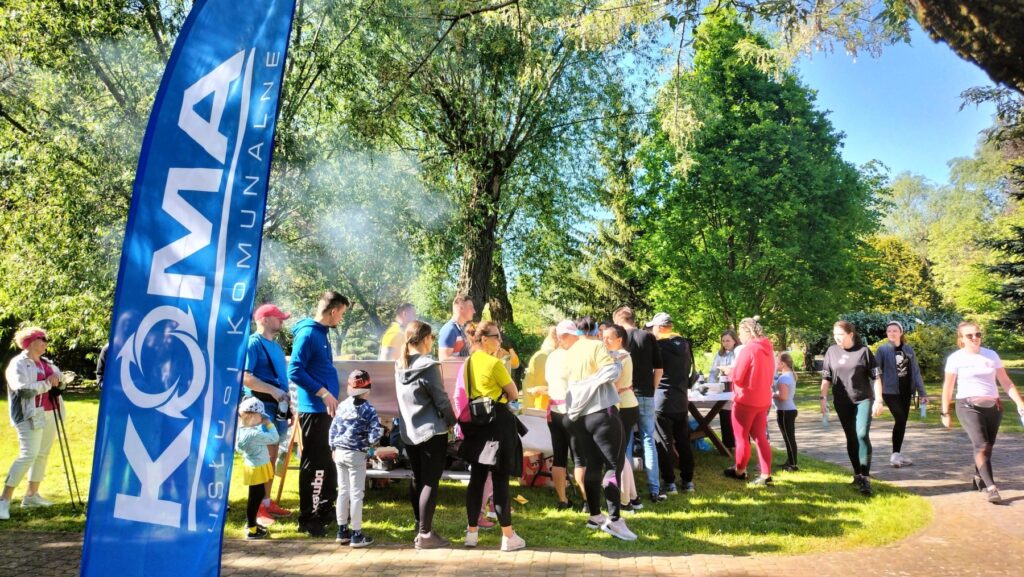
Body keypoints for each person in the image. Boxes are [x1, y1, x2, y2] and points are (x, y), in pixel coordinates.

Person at [564, 319, 636, 541]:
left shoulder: (570, 350)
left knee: (593, 464)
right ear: (596, 331)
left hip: (578, 417)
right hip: (601, 411)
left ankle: (595, 515)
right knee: (614, 466)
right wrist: (616, 363)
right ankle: (614, 520)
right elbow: (610, 374)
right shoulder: (597, 346)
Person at [458, 321, 526, 552]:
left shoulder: (469, 362)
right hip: (498, 423)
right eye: (496, 336)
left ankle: (471, 533)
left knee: (476, 479)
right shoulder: (494, 363)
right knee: (500, 479)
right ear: (484, 339)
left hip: (477, 423)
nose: (500, 341)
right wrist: (502, 396)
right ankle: (508, 536)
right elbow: (513, 393)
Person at [288, 290, 350, 536]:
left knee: (327, 460)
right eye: (341, 314)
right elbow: (294, 369)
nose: (341, 319)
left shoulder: (321, 333)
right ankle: (306, 517)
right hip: (313, 409)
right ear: (333, 311)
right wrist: (323, 392)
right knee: (313, 463)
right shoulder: (308, 334)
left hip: (325, 410)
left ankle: (325, 509)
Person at [941, 321, 1024, 504]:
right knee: (982, 445)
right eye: (969, 335)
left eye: (977, 334)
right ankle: (991, 488)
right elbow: (948, 386)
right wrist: (945, 412)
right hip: (968, 406)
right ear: (961, 339)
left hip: (993, 406)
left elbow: (1005, 381)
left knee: (988, 446)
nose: (975, 338)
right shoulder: (956, 358)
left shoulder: (991, 355)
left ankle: (979, 476)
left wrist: (1020, 403)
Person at [396, 320, 457, 549]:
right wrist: (453, 421)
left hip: (409, 431)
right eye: (432, 337)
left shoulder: (399, 364)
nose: (433, 341)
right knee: (430, 481)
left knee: (418, 478)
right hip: (431, 431)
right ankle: (425, 534)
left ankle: (420, 526)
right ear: (424, 339)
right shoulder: (429, 365)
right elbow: (441, 399)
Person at [1, 327, 63, 520]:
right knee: (28, 455)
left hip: (50, 411)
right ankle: (4, 500)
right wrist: (48, 383)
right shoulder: (17, 364)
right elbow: (23, 390)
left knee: (42, 454)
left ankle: (31, 495)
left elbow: (60, 379)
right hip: (29, 414)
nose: (46, 342)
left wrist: (59, 381)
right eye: (42, 338)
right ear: (29, 342)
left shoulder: (47, 362)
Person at [242, 303, 293, 523]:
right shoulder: (253, 343)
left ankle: (266, 502)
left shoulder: (277, 347)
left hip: (277, 407)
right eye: (278, 317)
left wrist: (286, 403)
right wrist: (273, 391)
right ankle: (257, 509)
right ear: (263, 319)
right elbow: (245, 377)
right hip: (261, 407)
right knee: (261, 458)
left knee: (271, 456)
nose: (282, 320)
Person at [819, 320, 882, 496]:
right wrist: (823, 398)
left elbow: (876, 377)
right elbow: (826, 378)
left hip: (863, 399)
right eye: (835, 335)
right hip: (842, 401)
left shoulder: (864, 351)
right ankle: (857, 475)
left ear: (850, 334)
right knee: (851, 437)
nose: (837, 338)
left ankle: (866, 477)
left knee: (861, 435)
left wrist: (879, 400)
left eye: (841, 334)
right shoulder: (831, 352)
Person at [611, 306, 665, 503]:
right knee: (648, 438)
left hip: (625, 395)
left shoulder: (619, 340)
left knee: (625, 440)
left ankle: (627, 488)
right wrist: (652, 388)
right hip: (645, 394)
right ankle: (654, 488)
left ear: (618, 321)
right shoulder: (647, 336)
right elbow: (659, 368)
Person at [329, 370, 384, 547]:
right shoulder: (369, 409)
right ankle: (357, 534)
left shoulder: (343, 405)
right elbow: (374, 435)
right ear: (368, 389)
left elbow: (333, 429)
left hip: (339, 452)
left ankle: (341, 531)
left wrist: (333, 447)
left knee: (343, 491)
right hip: (356, 454)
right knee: (356, 494)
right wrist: (371, 442)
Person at [721, 317, 774, 485]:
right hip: (763, 399)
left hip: (746, 399)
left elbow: (738, 377)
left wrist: (729, 371)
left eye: (740, 332)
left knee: (741, 437)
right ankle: (766, 475)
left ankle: (740, 470)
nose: (739, 336)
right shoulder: (768, 348)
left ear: (747, 332)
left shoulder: (748, 349)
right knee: (760, 437)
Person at [647, 313, 695, 494]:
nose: (652, 330)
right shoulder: (685, 345)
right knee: (684, 442)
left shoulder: (658, 346)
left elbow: (653, 372)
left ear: (660, 328)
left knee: (664, 443)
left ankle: (669, 482)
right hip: (681, 399)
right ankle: (688, 480)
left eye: (653, 327)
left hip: (662, 400)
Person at [875, 321, 928, 468]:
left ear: (901, 332)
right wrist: (876, 395)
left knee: (902, 422)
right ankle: (894, 455)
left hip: (906, 391)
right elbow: (876, 373)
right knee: (900, 418)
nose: (892, 333)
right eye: (889, 331)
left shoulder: (908, 349)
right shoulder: (882, 350)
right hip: (889, 391)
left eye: (895, 331)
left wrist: (922, 392)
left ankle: (897, 453)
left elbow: (916, 372)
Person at [543, 320, 582, 510]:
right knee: (579, 458)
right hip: (571, 410)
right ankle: (586, 500)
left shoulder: (551, 356)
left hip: (554, 411)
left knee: (559, 457)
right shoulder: (574, 356)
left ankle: (562, 499)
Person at [602, 324, 641, 512]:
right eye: (603, 337)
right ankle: (632, 497)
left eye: (609, 338)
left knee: (618, 457)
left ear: (619, 339)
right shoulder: (618, 355)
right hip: (625, 404)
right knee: (621, 456)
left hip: (624, 406)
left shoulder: (621, 356)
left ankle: (625, 500)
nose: (605, 341)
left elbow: (614, 385)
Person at [236, 397, 280, 540]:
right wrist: (269, 424)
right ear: (251, 416)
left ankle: (252, 523)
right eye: (261, 416)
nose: (262, 419)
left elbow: (238, 448)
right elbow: (274, 438)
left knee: (256, 496)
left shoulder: (243, 431)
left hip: (253, 467)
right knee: (255, 498)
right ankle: (252, 529)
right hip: (257, 468)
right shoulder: (254, 434)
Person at [708, 329, 738, 449]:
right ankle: (727, 444)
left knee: (737, 417)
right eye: (723, 341)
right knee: (724, 415)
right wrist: (710, 386)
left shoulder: (738, 353)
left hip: (736, 387)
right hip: (723, 388)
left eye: (728, 340)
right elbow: (713, 372)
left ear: (735, 340)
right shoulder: (719, 354)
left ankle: (740, 444)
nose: (725, 343)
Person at [773, 352, 799, 471]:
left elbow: (783, 397)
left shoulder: (784, 377)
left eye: (777, 362)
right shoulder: (789, 375)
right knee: (789, 438)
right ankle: (790, 462)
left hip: (785, 411)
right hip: (787, 410)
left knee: (789, 438)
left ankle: (793, 465)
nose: (775, 364)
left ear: (782, 364)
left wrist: (771, 394)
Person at [522, 326, 557, 410]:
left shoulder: (546, 354)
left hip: (538, 407)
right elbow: (541, 388)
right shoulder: (544, 356)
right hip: (536, 408)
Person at [438, 294, 475, 361]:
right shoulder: (449, 329)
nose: (474, 311)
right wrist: (471, 360)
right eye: (471, 307)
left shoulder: (463, 329)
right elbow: (444, 359)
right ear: (461, 308)